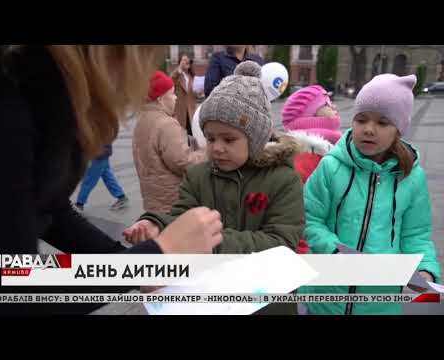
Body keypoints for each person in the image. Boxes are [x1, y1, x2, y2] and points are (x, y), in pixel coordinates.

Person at [0, 45, 223, 315]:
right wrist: (151, 258)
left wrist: (126, 261)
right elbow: (6, 285)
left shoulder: (40, 83)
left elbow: (48, 206)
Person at [124, 61, 305, 315]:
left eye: (228, 139)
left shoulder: (283, 179)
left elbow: (282, 243)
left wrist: (211, 242)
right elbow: (180, 217)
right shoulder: (198, 176)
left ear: (256, 139)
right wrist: (155, 224)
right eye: (210, 138)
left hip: (265, 302)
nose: (217, 147)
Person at [299, 74, 441, 315]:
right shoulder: (330, 167)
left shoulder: (411, 177)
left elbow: (415, 234)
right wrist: (333, 250)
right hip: (325, 299)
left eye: (382, 123)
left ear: (399, 129)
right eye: (361, 119)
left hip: (379, 304)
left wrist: (425, 269)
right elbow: (308, 219)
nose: (369, 130)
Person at [133, 70, 206, 213]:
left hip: (152, 201)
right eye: (172, 93)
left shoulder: (142, 120)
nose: (176, 98)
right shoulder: (165, 124)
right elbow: (184, 162)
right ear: (160, 99)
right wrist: (206, 151)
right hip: (173, 202)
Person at [281, 85, 342, 253]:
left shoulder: (327, 150)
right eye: (327, 104)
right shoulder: (308, 156)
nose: (334, 107)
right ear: (309, 114)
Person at [74, 143, 129, 212]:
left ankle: (79, 204)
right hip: (103, 152)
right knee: (107, 177)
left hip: (98, 154)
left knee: (88, 181)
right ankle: (121, 197)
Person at [170, 53, 197, 136]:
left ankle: (192, 148)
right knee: (180, 135)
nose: (187, 61)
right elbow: (170, 80)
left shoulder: (192, 77)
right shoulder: (177, 75)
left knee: (192, 134)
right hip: (180, 110)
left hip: (191, 110)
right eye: (184, 60)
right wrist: (179, 69)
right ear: (179, 63)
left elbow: (194, 94)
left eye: (187, 60)